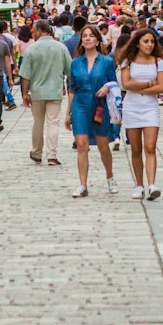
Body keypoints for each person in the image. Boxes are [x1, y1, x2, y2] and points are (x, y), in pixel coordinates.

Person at [116, 26, 163, 200]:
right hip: (132, 106)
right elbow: (126, 84)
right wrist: (147, 85)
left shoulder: (158, 62)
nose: (150, 44)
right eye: (146, 41)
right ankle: (139, 185)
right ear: (137, 43)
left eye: (152, 41)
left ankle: (152, 184)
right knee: (136, 149)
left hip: (150, 108)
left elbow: (161, 87)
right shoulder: (127, 61)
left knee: (150, 147)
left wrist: (140, 86)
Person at [66, 24, 117, 197]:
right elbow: (72, 88)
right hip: (80, 105)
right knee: (82, 146)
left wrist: (107, 86)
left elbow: (114, 82)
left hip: (100, 106)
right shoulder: (75, 63)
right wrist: (68, 113)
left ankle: (110, 176)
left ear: (97, 40)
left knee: (103, 145)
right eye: (84, 36)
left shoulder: (107, 61)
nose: (87, 38)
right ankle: (82, 184)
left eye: (91, 36)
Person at [20, 18, 71, 167]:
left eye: (34, 30)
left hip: (37, 92)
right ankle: (52, 155)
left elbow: (25, 75)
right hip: (55, 91)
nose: (33, 33)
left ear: (40, 31)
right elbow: (69, 70)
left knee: (38, 123)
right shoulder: (61, 47)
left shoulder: (32, 49)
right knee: (53, 123)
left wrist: (24, 94)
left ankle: (36, 153)